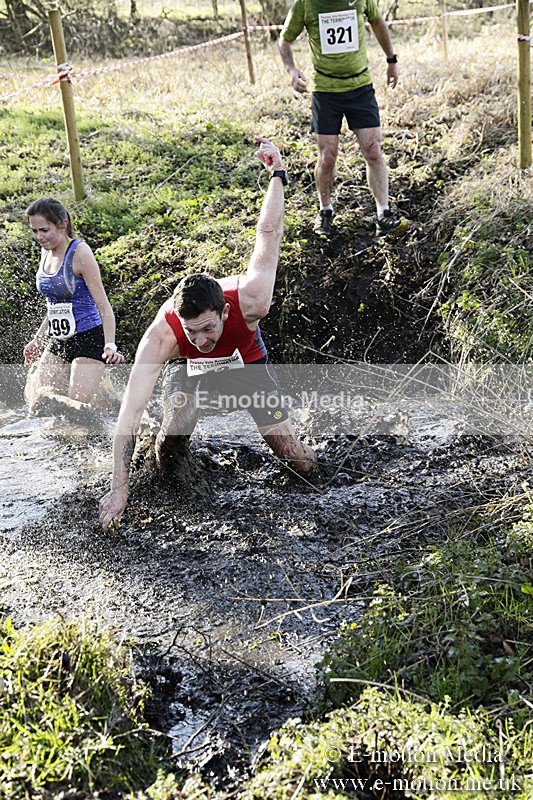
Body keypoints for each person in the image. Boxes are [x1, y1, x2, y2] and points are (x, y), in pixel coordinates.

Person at [98, 137, 317, 531]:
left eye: (208, 329)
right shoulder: (162, 339)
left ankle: (319, 465)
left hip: (245, 358)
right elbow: (127, 414)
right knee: (172, 441)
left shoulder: (252, 299)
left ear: (225, 312)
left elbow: (268, 232)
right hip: (188, 370)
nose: (200, 339)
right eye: (191, 331)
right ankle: (173, 471)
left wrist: (277, 175)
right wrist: (119, 488)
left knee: (292, 458)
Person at [279, 0, 408, 238]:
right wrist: (292, 70)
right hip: (325, 90)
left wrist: (392, 60)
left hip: (360, 87)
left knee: (373, 150)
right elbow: (285, 40)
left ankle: (383, 213)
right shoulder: (306, 4)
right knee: (327, 156)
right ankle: (325, 211)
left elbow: (377, 21)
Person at [24, 197, 124, 414]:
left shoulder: (80, 253)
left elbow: (104, 306)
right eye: (34, 231)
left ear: (62, 225)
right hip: (59, 338)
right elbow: (54, 306)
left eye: (44, 230)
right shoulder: (45, 251)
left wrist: (110, 345)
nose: (39, 237)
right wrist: (37, 340)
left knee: (76, 410)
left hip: (88, 337)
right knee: (37, 402)